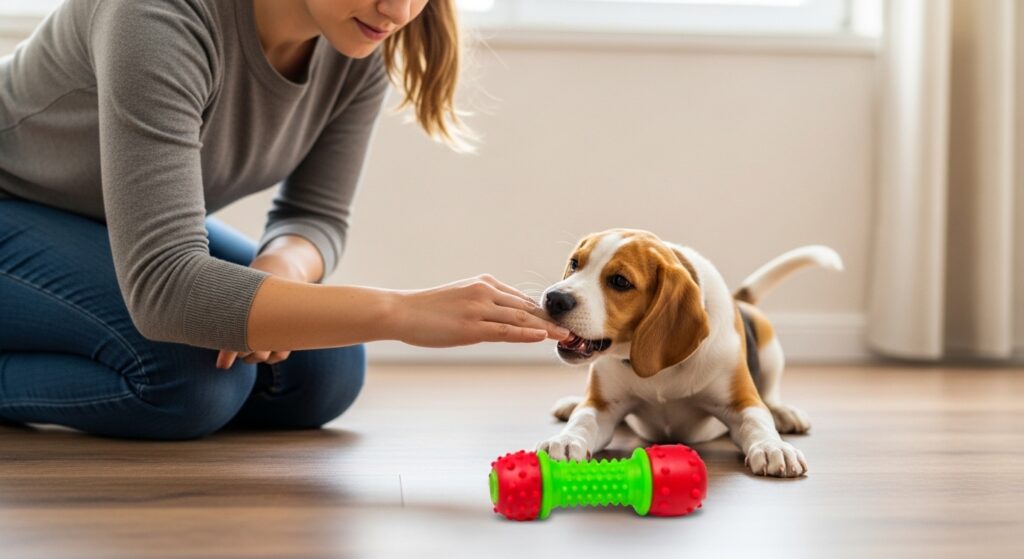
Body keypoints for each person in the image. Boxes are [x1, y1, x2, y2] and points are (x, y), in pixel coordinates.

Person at [0, 0, 569, 440]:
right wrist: (404, 312)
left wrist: (279, 274)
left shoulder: (354, 42)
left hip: (97, 223)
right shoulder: (157, 16)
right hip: (13, 202)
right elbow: (167, 289)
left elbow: (313, 214)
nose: (398, 12)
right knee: (186, 380)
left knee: (324, 372)